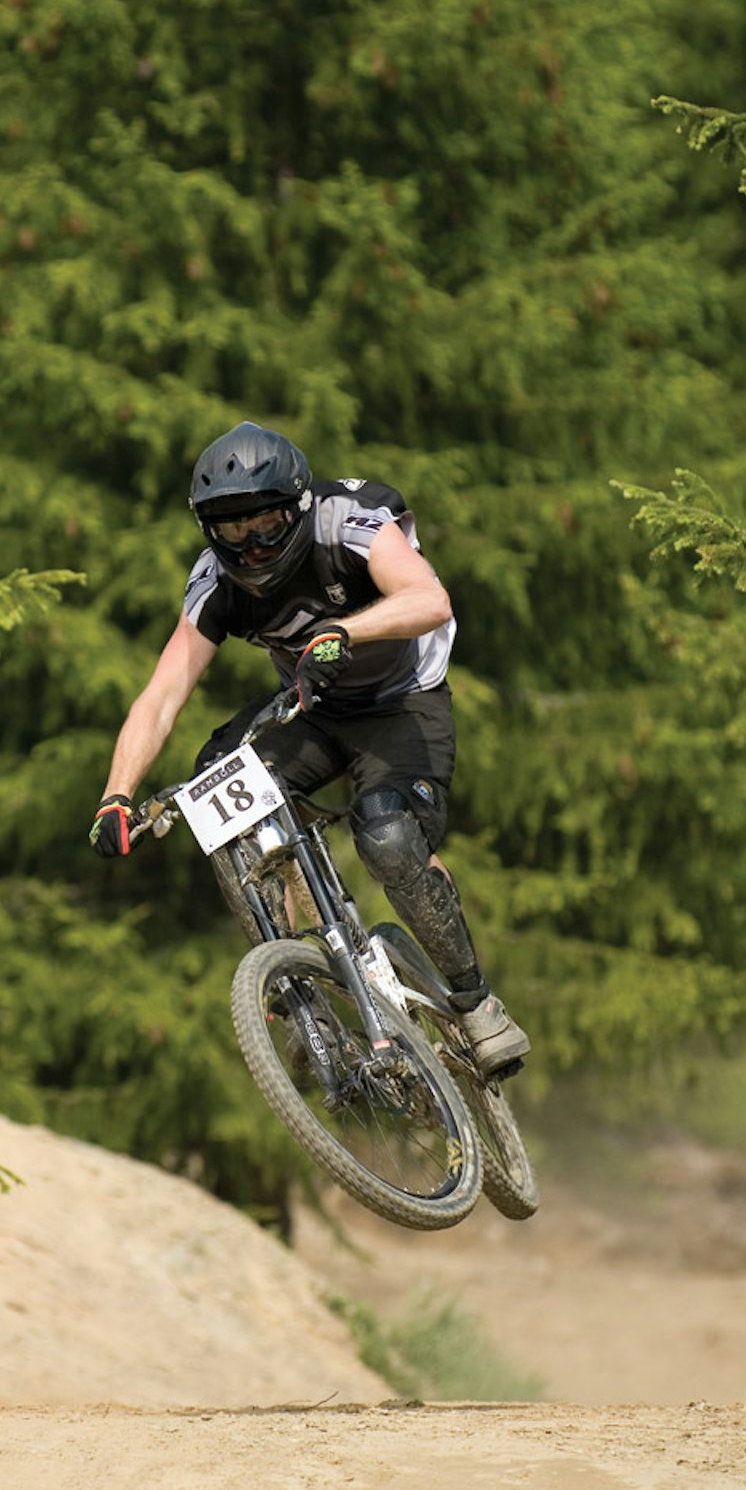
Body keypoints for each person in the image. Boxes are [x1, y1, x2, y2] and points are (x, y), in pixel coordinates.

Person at [87, 419, 529, 1078]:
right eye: (234, 530)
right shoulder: (216, 583)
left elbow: (429, 599)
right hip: (313, 710)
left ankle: (475, 1004)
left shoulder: (346, 522)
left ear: (297, 507)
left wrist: (344, 632)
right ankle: (303, 1001)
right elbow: (161, 694)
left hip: (403, 703)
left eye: (266, 523)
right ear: (210, 531)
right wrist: (116, 796)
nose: (255, 545)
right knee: (218, 792)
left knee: (387, 835)